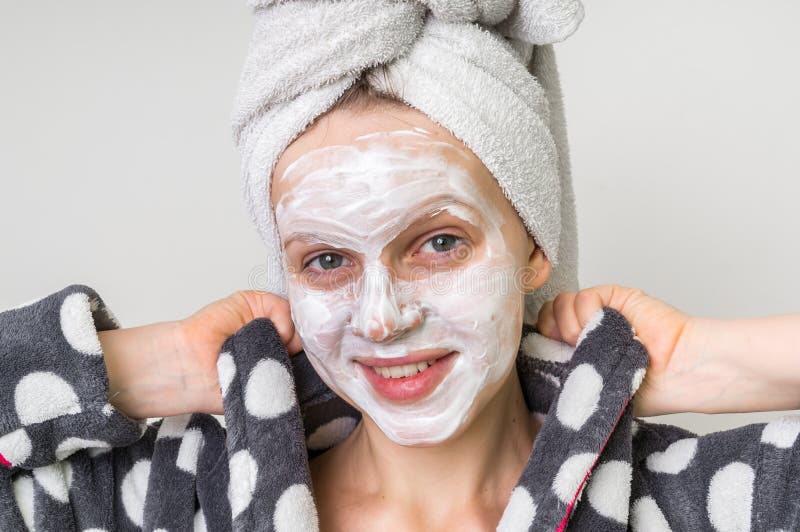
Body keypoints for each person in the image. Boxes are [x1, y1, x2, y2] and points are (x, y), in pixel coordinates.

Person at [1, 2, 798, 532]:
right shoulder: (171, 501)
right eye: (325, 260)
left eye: (438, 242)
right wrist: (133, 369)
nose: (381, 317)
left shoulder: (706, 501)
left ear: (532, 245)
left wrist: (706, 360)